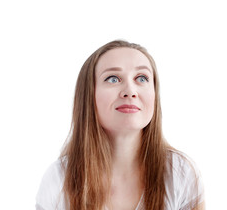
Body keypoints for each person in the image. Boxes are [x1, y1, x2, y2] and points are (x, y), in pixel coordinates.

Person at [36, 40, 205, 210]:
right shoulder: (58, 180)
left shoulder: (180, 173)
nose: (130, 91)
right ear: (88, 95)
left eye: (141, 78)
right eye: (113, 79)